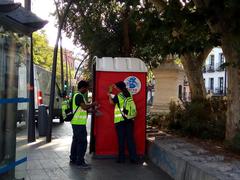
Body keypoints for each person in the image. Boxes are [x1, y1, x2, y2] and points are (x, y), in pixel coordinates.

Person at [108, 81, 138, 163]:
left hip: (120, 121)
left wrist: (109, 94)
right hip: (130, 120)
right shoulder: (129, 94)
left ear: (118, 88)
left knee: (121, 140)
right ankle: (134, 158)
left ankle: (121, 158)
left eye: (116, 87)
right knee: (130, 139)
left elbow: (111, 102)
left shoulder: (119, 96)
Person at [70, 80, 97, 168]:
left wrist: (92, 110)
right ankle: (80, 162)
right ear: (83, 88)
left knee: (76, 141)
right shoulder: (79, 96)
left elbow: (82, 109)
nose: (87, 89)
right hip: (79, 123)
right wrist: (93, 104)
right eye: (87, 88)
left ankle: (73, 158)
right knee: (82, 142)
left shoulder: (77, 95)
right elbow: (84, 107)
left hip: (76, 122)